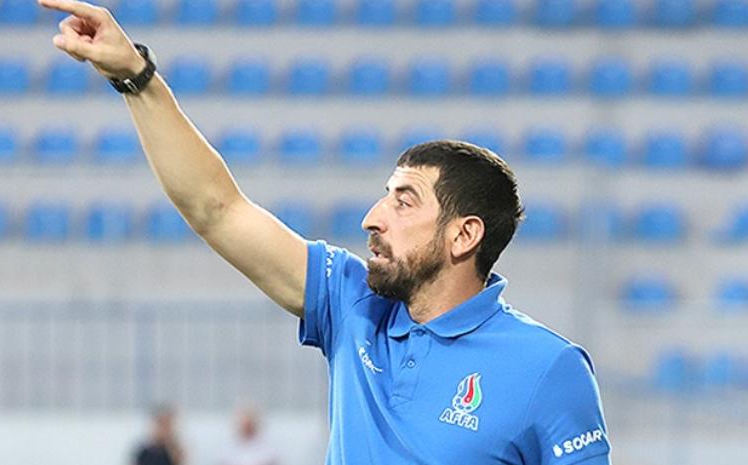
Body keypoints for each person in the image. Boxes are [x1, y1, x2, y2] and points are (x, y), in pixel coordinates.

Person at [38, 1, 612, 463]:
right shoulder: (352, 302)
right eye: (385, 195)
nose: (373, 217)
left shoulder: (548, 368)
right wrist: (137, 78)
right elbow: (217, 210)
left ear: (464, 236)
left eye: (404, 201)